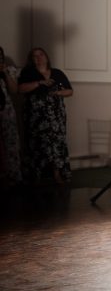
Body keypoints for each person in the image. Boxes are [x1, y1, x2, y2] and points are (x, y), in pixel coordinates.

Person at [17, 47, 73, 184]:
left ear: (46, 56)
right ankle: (36, 175)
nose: (39, 58)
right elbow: (20, 89)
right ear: (32, 60)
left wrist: (58, 93)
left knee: (56, 143)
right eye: (35, 56)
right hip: (36, 116)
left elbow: (70, 91)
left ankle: (57, 173)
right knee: (37, 144)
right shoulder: (28, 72)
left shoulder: (57, 73)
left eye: (41, 54)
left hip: (55, 115)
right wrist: (39, 83)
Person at [0, 46, 22, 187]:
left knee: (11, 143)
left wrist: (5, 73)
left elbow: (14, 90)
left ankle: (14, 176)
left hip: (6, 110)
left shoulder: (9, 70)